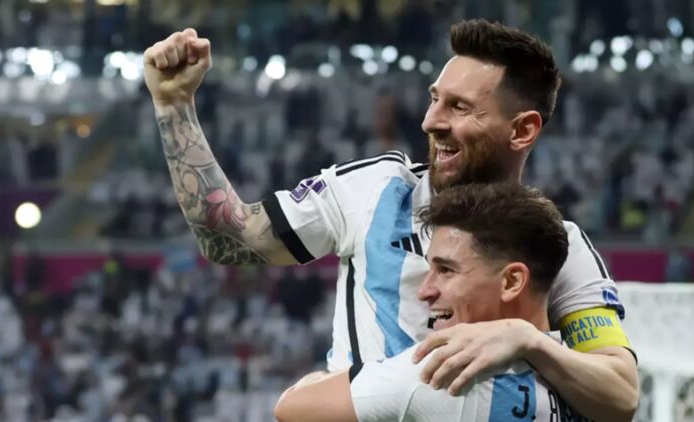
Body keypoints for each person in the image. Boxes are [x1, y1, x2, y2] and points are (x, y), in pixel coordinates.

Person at [142, 19, 638, 420]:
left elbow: (619, 394)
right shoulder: (373, 189)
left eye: (459, 107)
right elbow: (231, 238)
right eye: (435, 98)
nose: (431, 121)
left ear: (523, 130)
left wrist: (527, 340)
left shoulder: (556, 244)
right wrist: (174, 106)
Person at [274, 183, 585, 421]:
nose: (424, 291)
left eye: (446, 270)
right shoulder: (583, 381)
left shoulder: (442, 376)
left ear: (512, 282)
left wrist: (322, 379)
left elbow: (291, 408)